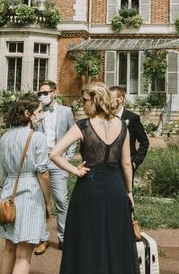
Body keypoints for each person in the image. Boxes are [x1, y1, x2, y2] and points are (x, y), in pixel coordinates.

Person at [50, 82, 140, 274]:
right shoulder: (122, 126)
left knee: (88, 239)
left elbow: (54, 154)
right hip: (115, 188)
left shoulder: (83, 125)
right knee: (114, 239)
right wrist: (129, 191)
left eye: (85, 100)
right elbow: (126, 164)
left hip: (89, 189)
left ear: (96, 100)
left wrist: (74, 170)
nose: (82, 104)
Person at [0, 98, 52, 274]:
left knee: (9, 248)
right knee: (24, 254)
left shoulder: (5, 137)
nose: (41, 116)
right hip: (30, 192)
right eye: (39, 112)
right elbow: (43, 173)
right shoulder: (38, 138)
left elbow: (3, 172)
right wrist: (48, 201)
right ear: (28, 114)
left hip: (9, 191)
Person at [33, 80, 76, 255]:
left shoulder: (66, 111)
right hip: (41, 160)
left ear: (54, 93)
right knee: (41, 200)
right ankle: (43, 238)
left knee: (60, 199)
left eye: (45, 93)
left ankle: (63, 237)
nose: (42, 96)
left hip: (58, 160)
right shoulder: (37, 112)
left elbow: (72, 135)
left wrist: (67, 158)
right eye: (40, 94)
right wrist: (36, 121)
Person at [110, 85, 150, 173]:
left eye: (110, 99)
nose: (107, 102)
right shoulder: (107, 118)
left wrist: (135, 162)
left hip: (127, 165)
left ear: (120, 99)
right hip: (110, 167)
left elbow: (144, 142)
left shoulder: (132, 118)